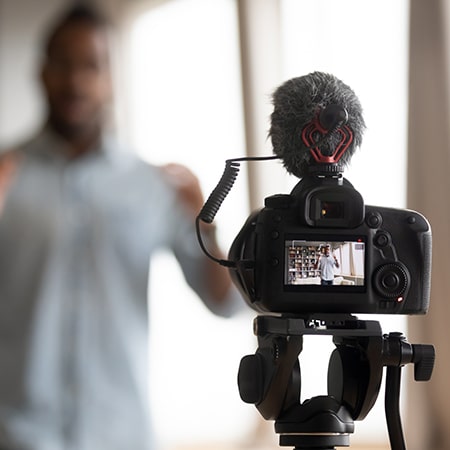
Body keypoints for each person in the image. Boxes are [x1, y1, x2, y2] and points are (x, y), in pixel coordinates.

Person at [0, 5, 240, 450]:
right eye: (63, 64)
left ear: (112, 78)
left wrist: (207, 227)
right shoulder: (4, 178)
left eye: (91, 65)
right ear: (41, 72)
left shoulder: (152, 186)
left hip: (122, 437)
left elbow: (225, 304)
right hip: (17, 437)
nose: (75, 81)